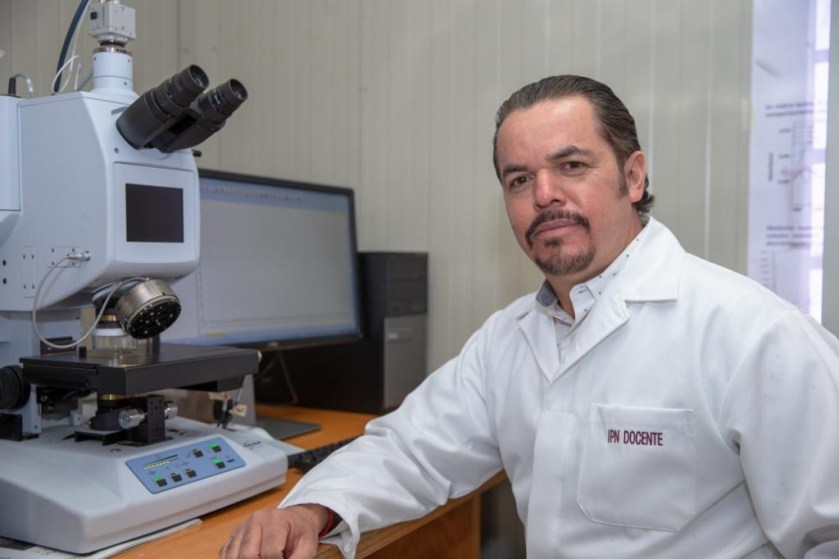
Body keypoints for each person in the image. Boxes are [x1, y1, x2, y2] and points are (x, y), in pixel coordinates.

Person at [220, 75, 839, 559]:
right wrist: (310, 511)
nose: (544, 195)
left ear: (632, 176)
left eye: (571, 166)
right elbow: (410, 450)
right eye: (520, 179)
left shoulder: (755, 335)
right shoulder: (509, 339)